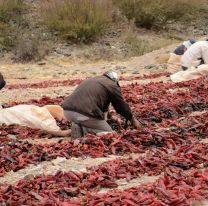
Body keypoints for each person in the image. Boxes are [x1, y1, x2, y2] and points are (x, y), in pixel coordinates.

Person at [61, 71, 141, 138]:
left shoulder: (94, 80)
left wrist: (111, 117)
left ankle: (78, 126)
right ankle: (82, 130)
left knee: (93, 121)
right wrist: (132, 119)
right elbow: (120, 106)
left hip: (67, 112)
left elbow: (102, 107)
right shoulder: (112, 85)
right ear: (115, 80)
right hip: (84, 113)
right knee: (110, 135)